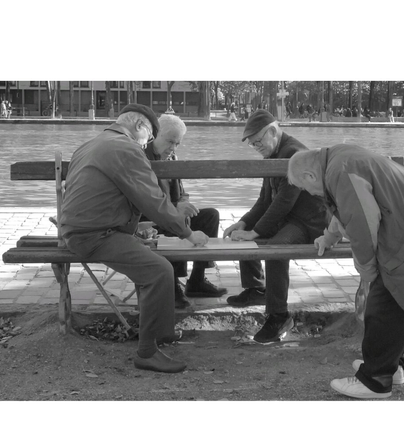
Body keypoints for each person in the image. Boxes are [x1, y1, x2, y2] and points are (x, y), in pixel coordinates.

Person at [287, 144, 404, 399]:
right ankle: (390, 368)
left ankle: (375, 381)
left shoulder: (339, 171)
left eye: (303, 187)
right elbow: (346, 205)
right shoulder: (338, 159)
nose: (306, 192)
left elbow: (362, 221)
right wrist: (329, 237)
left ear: (310, 176)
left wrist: (366, 269)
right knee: (395, 304)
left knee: (383, 305)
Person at [60, 103, 209, 374]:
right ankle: (147, 353)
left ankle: (160, 333)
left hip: (84, 229)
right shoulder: (126, 148)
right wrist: (188, 233)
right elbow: (153, 201)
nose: (147, 143)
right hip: (93, 235)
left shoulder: (92, 143)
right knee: (159, 270)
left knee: (152, 263)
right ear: (140, 126)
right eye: (150, 136)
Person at [223, 110, 328, 344]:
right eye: (252, 144)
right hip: (290, 217)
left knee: (275, 247)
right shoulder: (273, 153)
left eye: (258, 141)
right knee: (245, 236)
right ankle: (257, 289)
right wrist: (244, 223)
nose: (256, 146)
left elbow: (283, 202)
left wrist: (255, 231)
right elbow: (264, 199)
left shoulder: (294, 153)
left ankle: (279, 316)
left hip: (309, 222)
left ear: (272, 131)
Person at [143, 114, 227, 308]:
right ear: (155, 135)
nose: (173, 148)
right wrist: (175, 209)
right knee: (174, 222)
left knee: (210, 216)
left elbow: (181, 192)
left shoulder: (172, 157)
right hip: (150, 220)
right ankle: (171, 287)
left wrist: (183, 204)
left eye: (177, 144)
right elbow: (145, 202)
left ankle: (197, 280)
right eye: (170, 141)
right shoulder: (142, 157)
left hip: (171, 213)